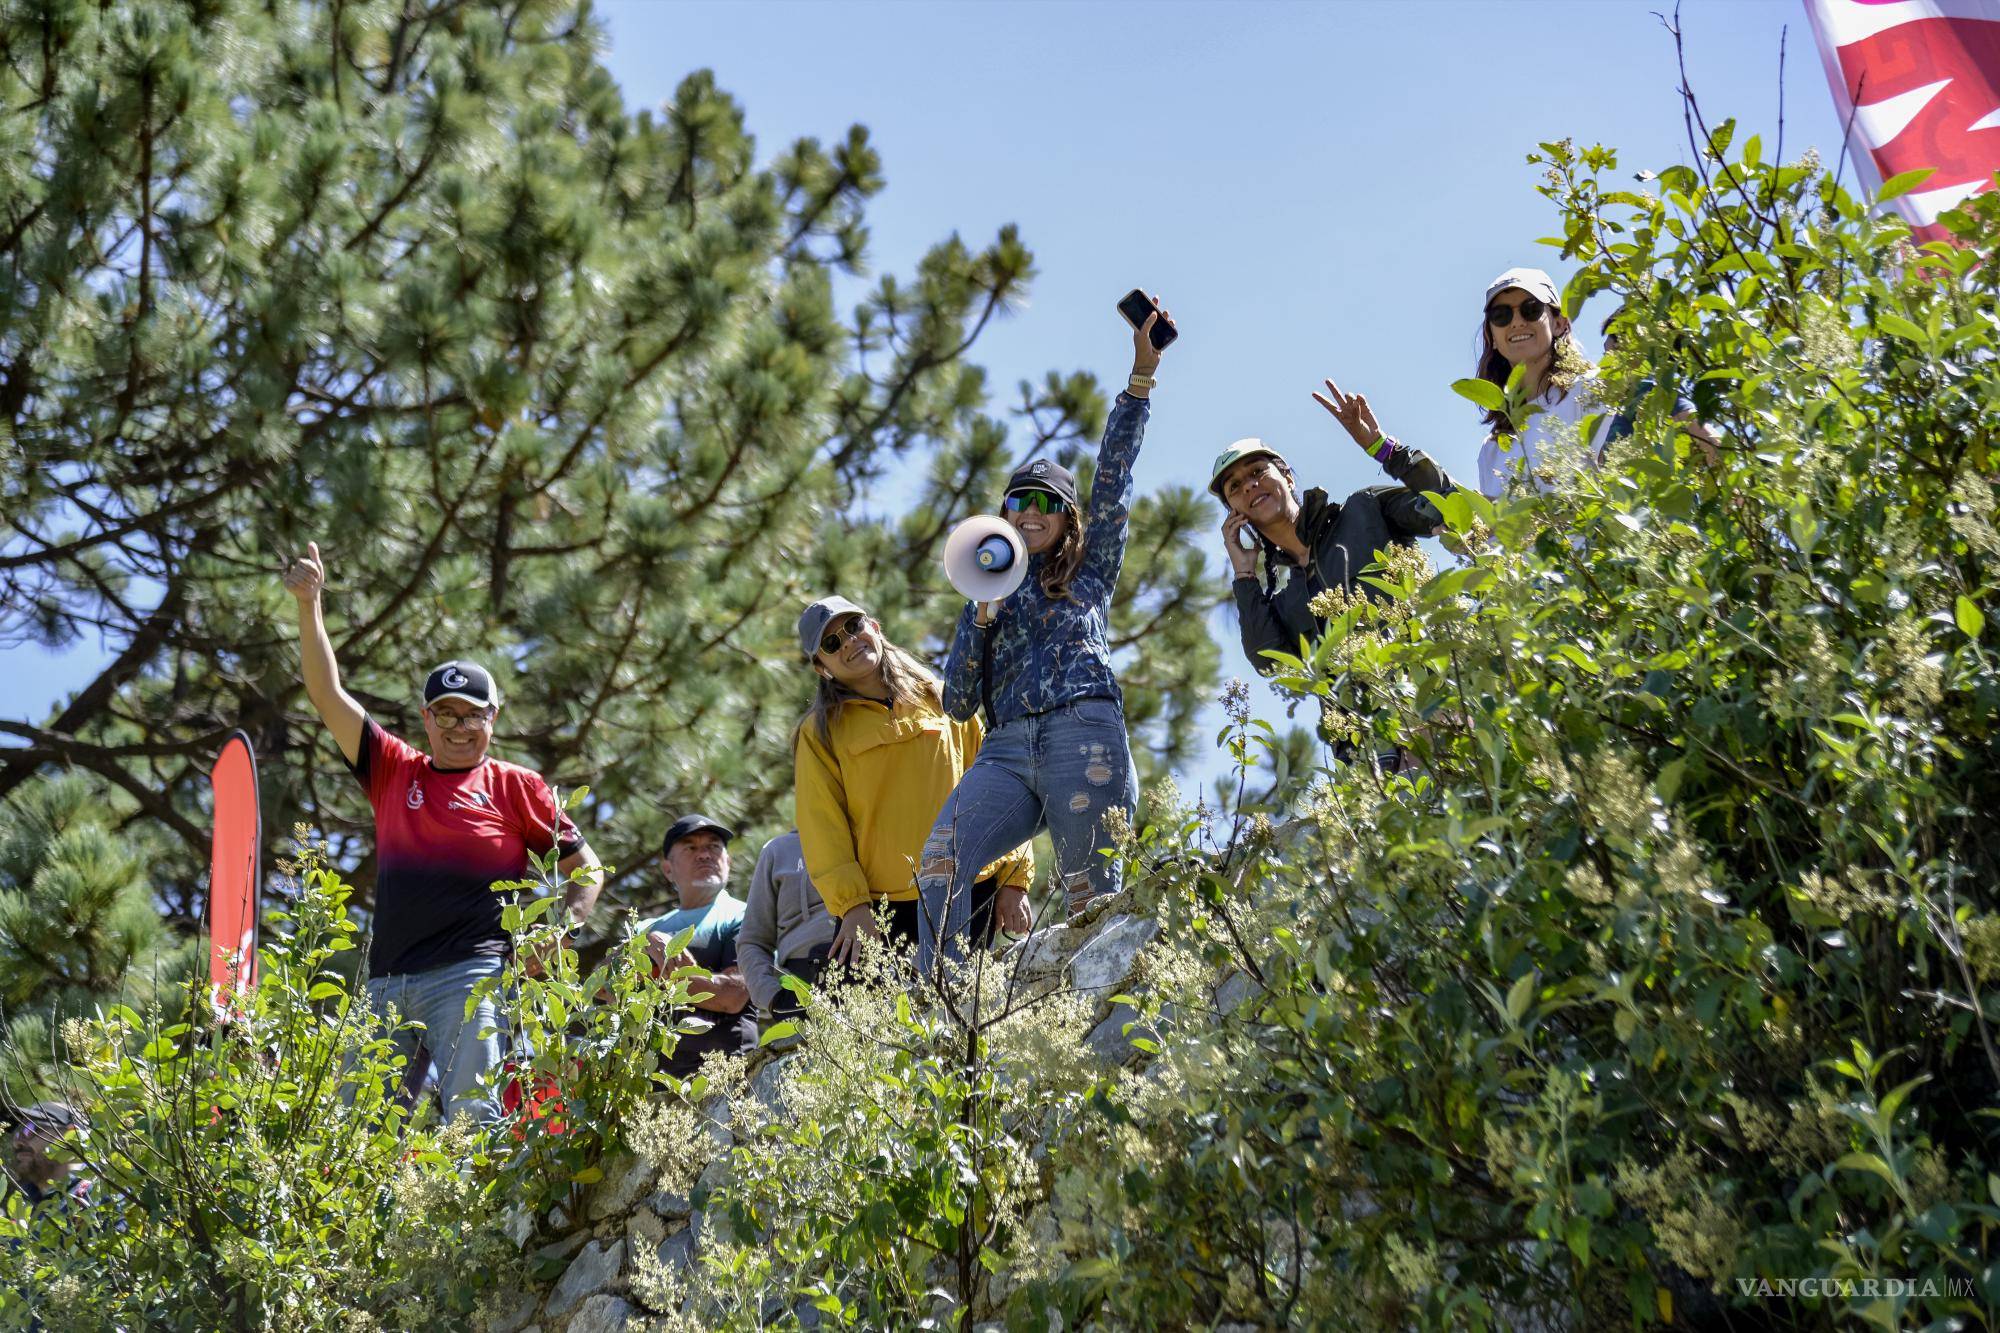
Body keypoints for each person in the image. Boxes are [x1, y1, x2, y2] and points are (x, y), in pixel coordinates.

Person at [281, 542, 602, 1123]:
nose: (459, 727)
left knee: (476, 1128)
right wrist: (310, 605)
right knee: (355, 1136)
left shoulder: (515, 785)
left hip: (473, 979)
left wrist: (560, 932)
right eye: (447, 714)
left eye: (472, 714)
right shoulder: (394, 770)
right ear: (426, 718)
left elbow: (589, 868)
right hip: (387, 983)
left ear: (493, 719)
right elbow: (326, 694)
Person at [921, 299, 1173, 971]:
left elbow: (1113, 484)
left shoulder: (1087, 571)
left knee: (1092, 898)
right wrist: (981, 614)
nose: (1029, 513)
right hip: (1004, 752)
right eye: (1016, 502)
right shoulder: (985, 587)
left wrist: (1140, 378)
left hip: (1080, 733)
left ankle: (1113, 1029)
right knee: (940, 859)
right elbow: (956, 703)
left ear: (1066, 519)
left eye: (1044, 504)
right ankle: (936, 1003)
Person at [792, 597, 1035, 970]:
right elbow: (821, 825)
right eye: (831, 643)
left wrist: (1014, 879)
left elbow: (999, 782)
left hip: (970, 890)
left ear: (873, 627)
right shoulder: (819, 734)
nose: (848, 642)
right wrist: (853, 907)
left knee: (965, 1019)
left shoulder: (943, 697)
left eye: (852, 626)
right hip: (885, 914)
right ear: (822, 668)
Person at [1211, 382, 1462, 673]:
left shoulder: (1366, 509)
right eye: (1235, 486)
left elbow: (1448, 508)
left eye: (1257, 471)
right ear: (1235, 514)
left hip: (1439, 695)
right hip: (1369, 720)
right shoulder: (1286, 603)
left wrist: (1385, 450)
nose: (1250, 485)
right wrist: (1244, 576)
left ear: (1287, 477)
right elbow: (1268, 662)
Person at [641, 813, 757, 1078]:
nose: (704, 854)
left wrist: (672, 977)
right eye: (691, 847)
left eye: (713, 846)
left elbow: (733, 996)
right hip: (651, 1086)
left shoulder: (745, 916)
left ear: (728, 861)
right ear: (667, 869)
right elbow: (605, 987)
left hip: (726, 1080)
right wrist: (640, 944)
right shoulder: (644, 928)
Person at [734, 829, 837, 1020]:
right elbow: (752, 941)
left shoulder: (874, 836)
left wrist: (908, 972)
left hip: (877, 974)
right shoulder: (777, 850)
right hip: (800, 986)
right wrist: (773, 998)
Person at [2, 1102, 90, 1211]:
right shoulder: (24, 1209)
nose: (17, 1142)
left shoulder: (102, 1204)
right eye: (17, 1131)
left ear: (74, 1136)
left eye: (31, 1128)